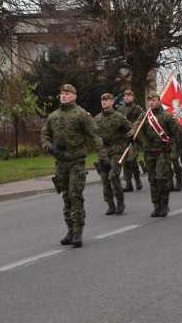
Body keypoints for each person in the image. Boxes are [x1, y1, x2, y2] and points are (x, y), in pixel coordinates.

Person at [41, 84, 109, 248]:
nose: (63, 96)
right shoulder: (53, 116)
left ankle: (78, 232)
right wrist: (50, 147)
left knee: (75, 195)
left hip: (76, 161)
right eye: (62, 93)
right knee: (66, 197)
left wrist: (103, 157)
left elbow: (95, 136)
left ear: (74, 96)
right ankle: (70, 230)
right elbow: (44, 135)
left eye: (67, 93)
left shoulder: (81, 114)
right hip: (60, 162)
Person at [130, 91, 181, 217]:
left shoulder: (167, 116)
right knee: (152, 180)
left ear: (159, 101)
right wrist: (132, 133)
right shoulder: (144, 116)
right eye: (149, 101)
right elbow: (136, 127)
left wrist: (175, 151)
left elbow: (177, 134)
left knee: (161, 179)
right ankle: (156, 205)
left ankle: (164, 205)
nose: (151, 102)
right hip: (149, 153)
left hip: (162, 152)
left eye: (154, 100)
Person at [95, 93, 132, 215]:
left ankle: (120, 202)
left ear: (112, 102)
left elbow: (131, 129)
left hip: (117, 151)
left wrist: (130, 136)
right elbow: (94, 135)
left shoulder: (119, 117)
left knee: (113, 176)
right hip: (103, 153)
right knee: (105, 180)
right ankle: (110, 204)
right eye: (102, 100)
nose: (104, 102)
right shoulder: (97, 118)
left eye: (107, 100)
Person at [117, 89, 143, 192]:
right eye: (125, 95)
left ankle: (137, 179)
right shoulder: (120, 109)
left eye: (129, 95)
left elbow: (142, 121)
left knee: (131, 160)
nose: (127, 97)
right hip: (124, 139)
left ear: (133, 97)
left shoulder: (137, 109)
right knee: (125, 162)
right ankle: (128, 184)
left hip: (135, 139)